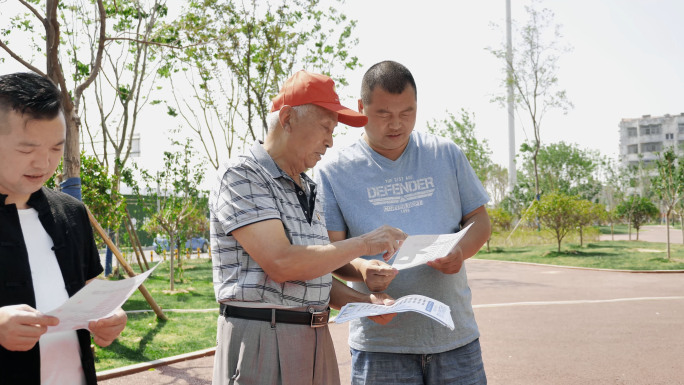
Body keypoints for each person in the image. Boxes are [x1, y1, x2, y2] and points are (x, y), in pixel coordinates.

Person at [209, 70, 407, 385]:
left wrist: (365, 303)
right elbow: (283, 263)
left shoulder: (309, 187)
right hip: (263, 339)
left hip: (316, 338)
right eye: (326, 127)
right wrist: (363, 244)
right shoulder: (243, 175)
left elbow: (314, 275)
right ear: (287, 119)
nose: (331, 141)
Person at [315, 60, 491, 384]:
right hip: (380, 347)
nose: (396, 124)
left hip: (455, 337)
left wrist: (460, 252)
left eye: (406, 112)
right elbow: (332, 253)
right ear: (360, 108)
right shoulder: (334, 171)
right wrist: (364, 270)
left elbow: (480, 220)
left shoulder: (446, 154)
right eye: (383, 113)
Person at [0, 72, 128, 385]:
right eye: (26, 150)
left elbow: (88, 292)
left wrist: (110, 316)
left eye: (56, 148)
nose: (43, 163)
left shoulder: (72, 212)